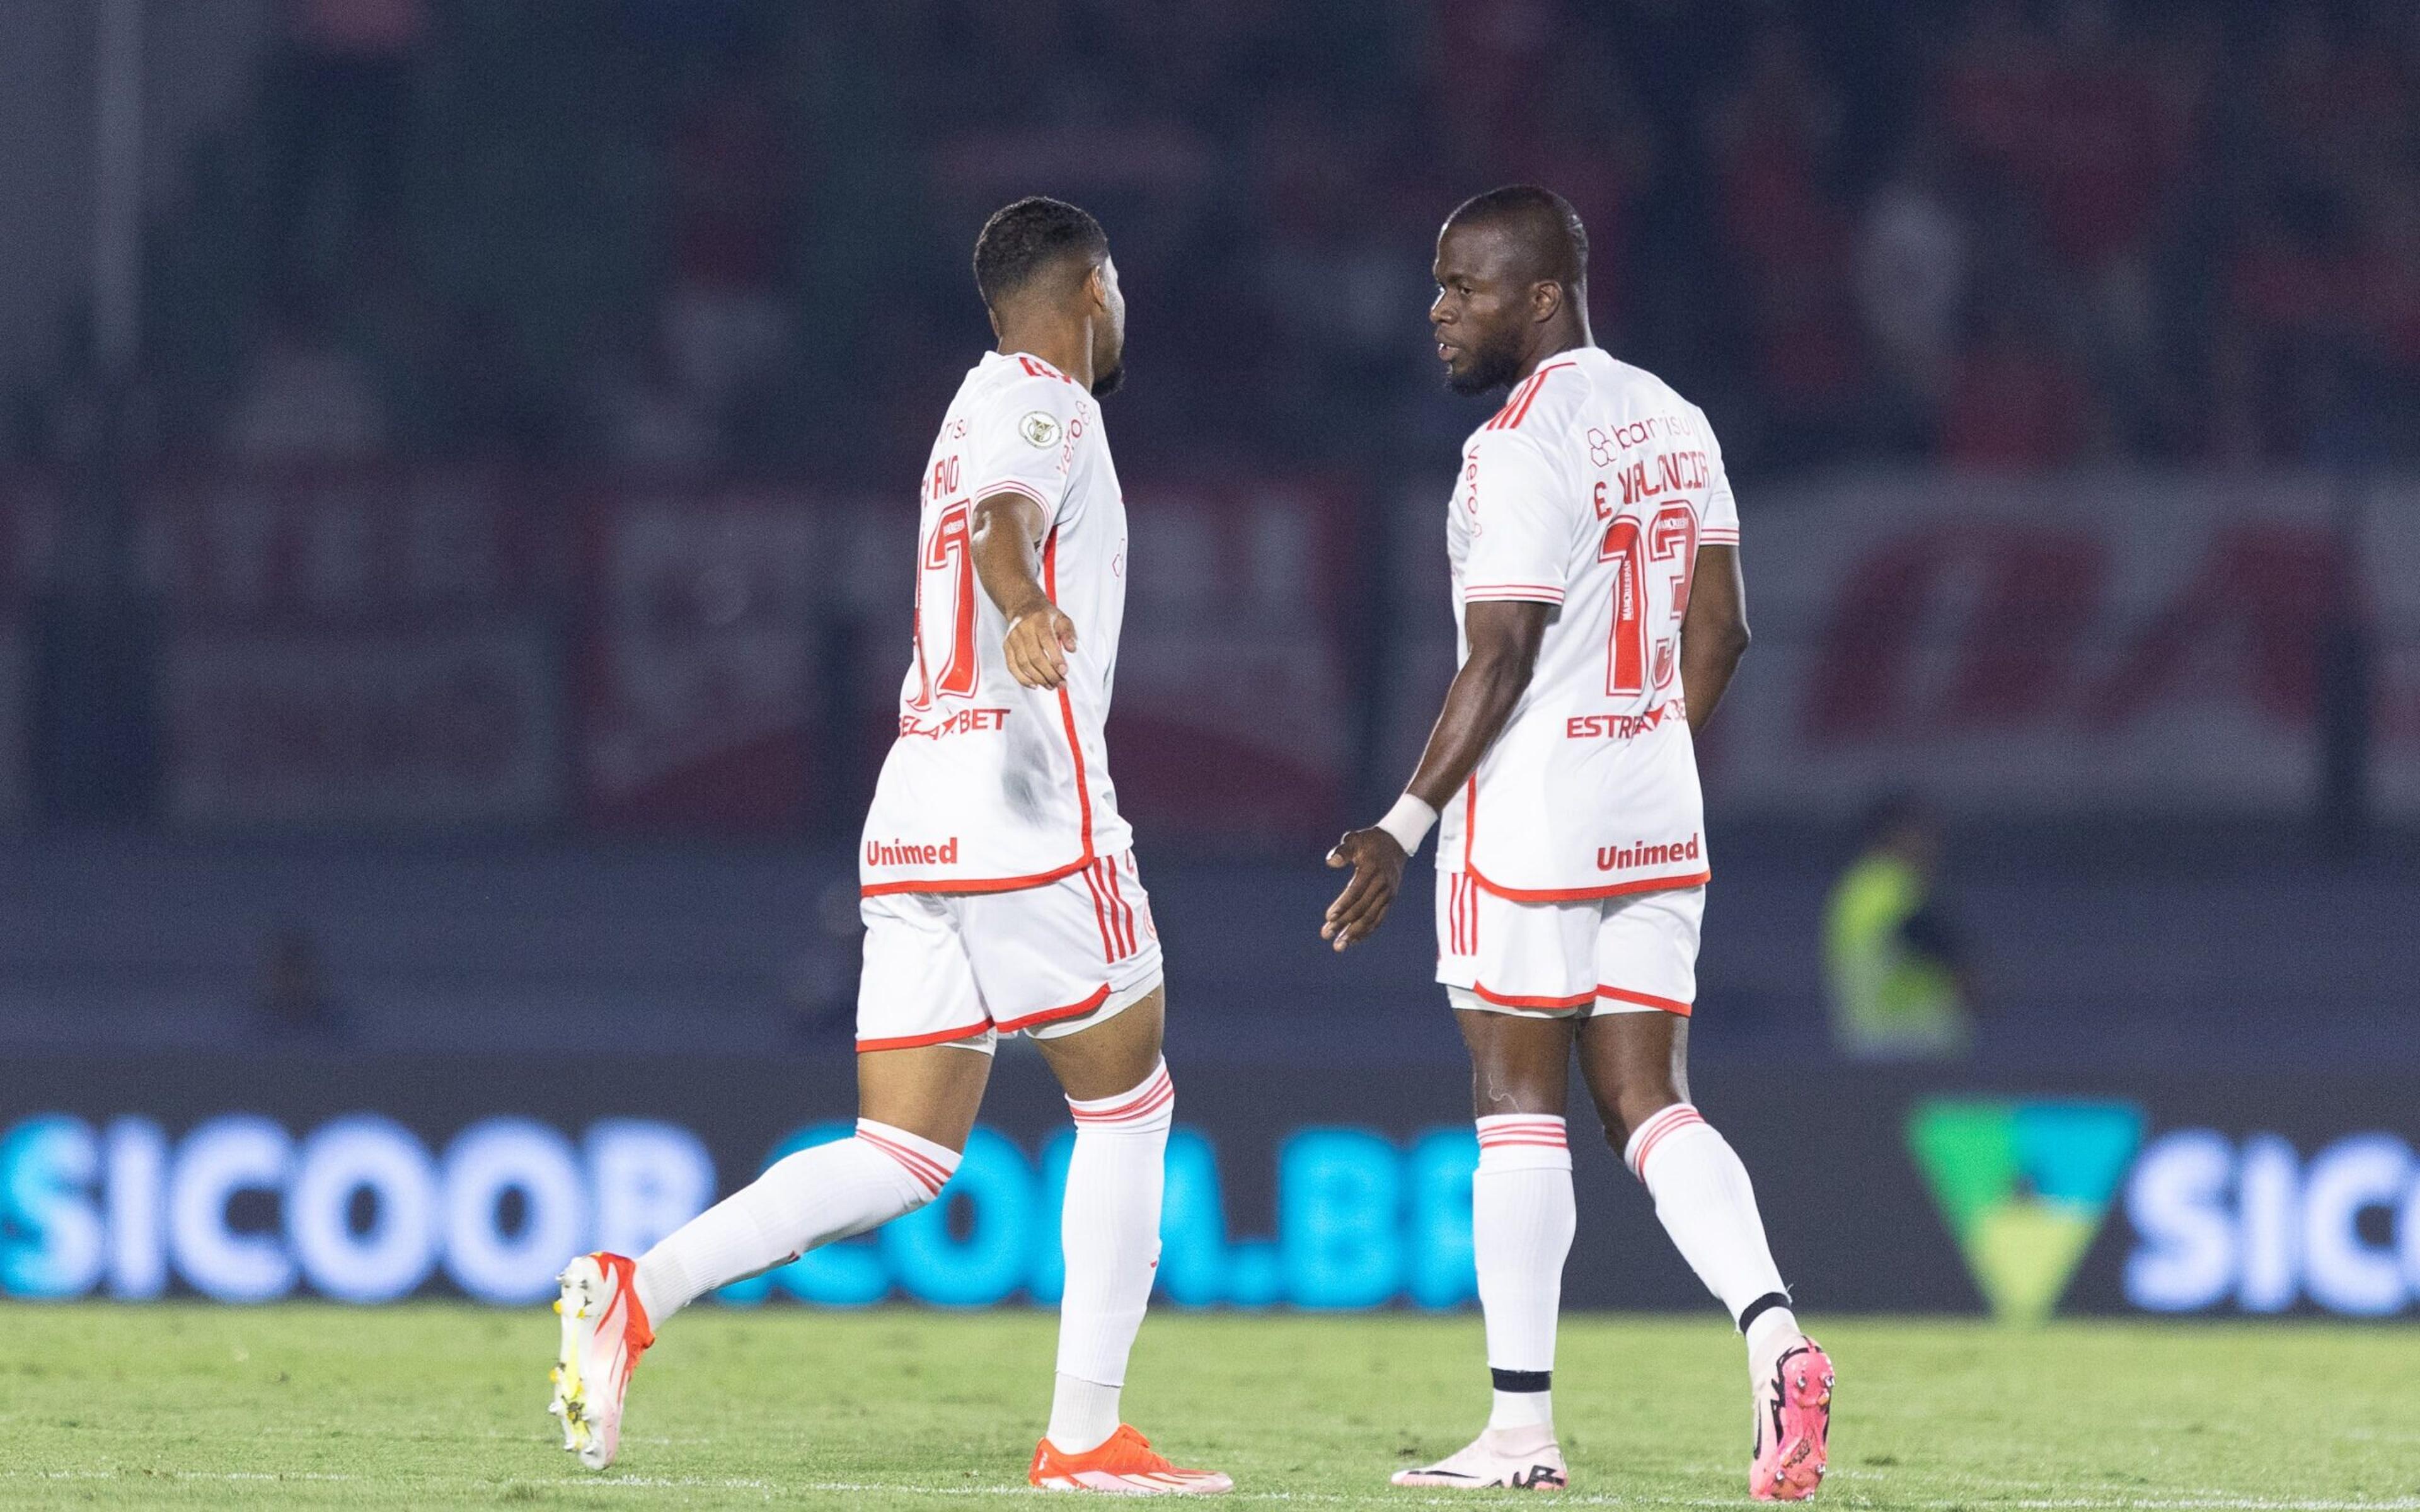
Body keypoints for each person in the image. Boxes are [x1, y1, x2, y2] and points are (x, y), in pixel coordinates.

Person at [548, 197, 1231, 1497]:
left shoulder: (965, 406)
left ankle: (640, 1292)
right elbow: (1004, 530)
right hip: (1023, 796)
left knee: (904, 1155)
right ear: (1093, 287)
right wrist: (1030, 613)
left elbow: (983, 517)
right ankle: (1085, 1438)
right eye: (1120, 288)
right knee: (1131, 1108)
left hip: (915, 801)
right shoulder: (1043, 398)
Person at [1323, 186, 1833, 1499]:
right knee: (1650, 1099)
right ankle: (1775, 1331)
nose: (1438, 311)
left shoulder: (1515, 446)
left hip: (1535, 810)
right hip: (1657, 803)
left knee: (1515, 1109)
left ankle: (1519, 1432)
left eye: (1464, 287)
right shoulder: (1677, 418)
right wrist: (1641, 745)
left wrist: (1401, 822)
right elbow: (1722, 635)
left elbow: (1499, 658)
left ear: (1541, 295)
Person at [1823, 793, 1975, 1060]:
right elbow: (1940, 949)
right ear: (1898, 835)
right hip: (1913, 1047)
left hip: (1867, 1045)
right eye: (1924, 832)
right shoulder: (1896, 890)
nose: (1933, 844)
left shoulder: (1856, 890)